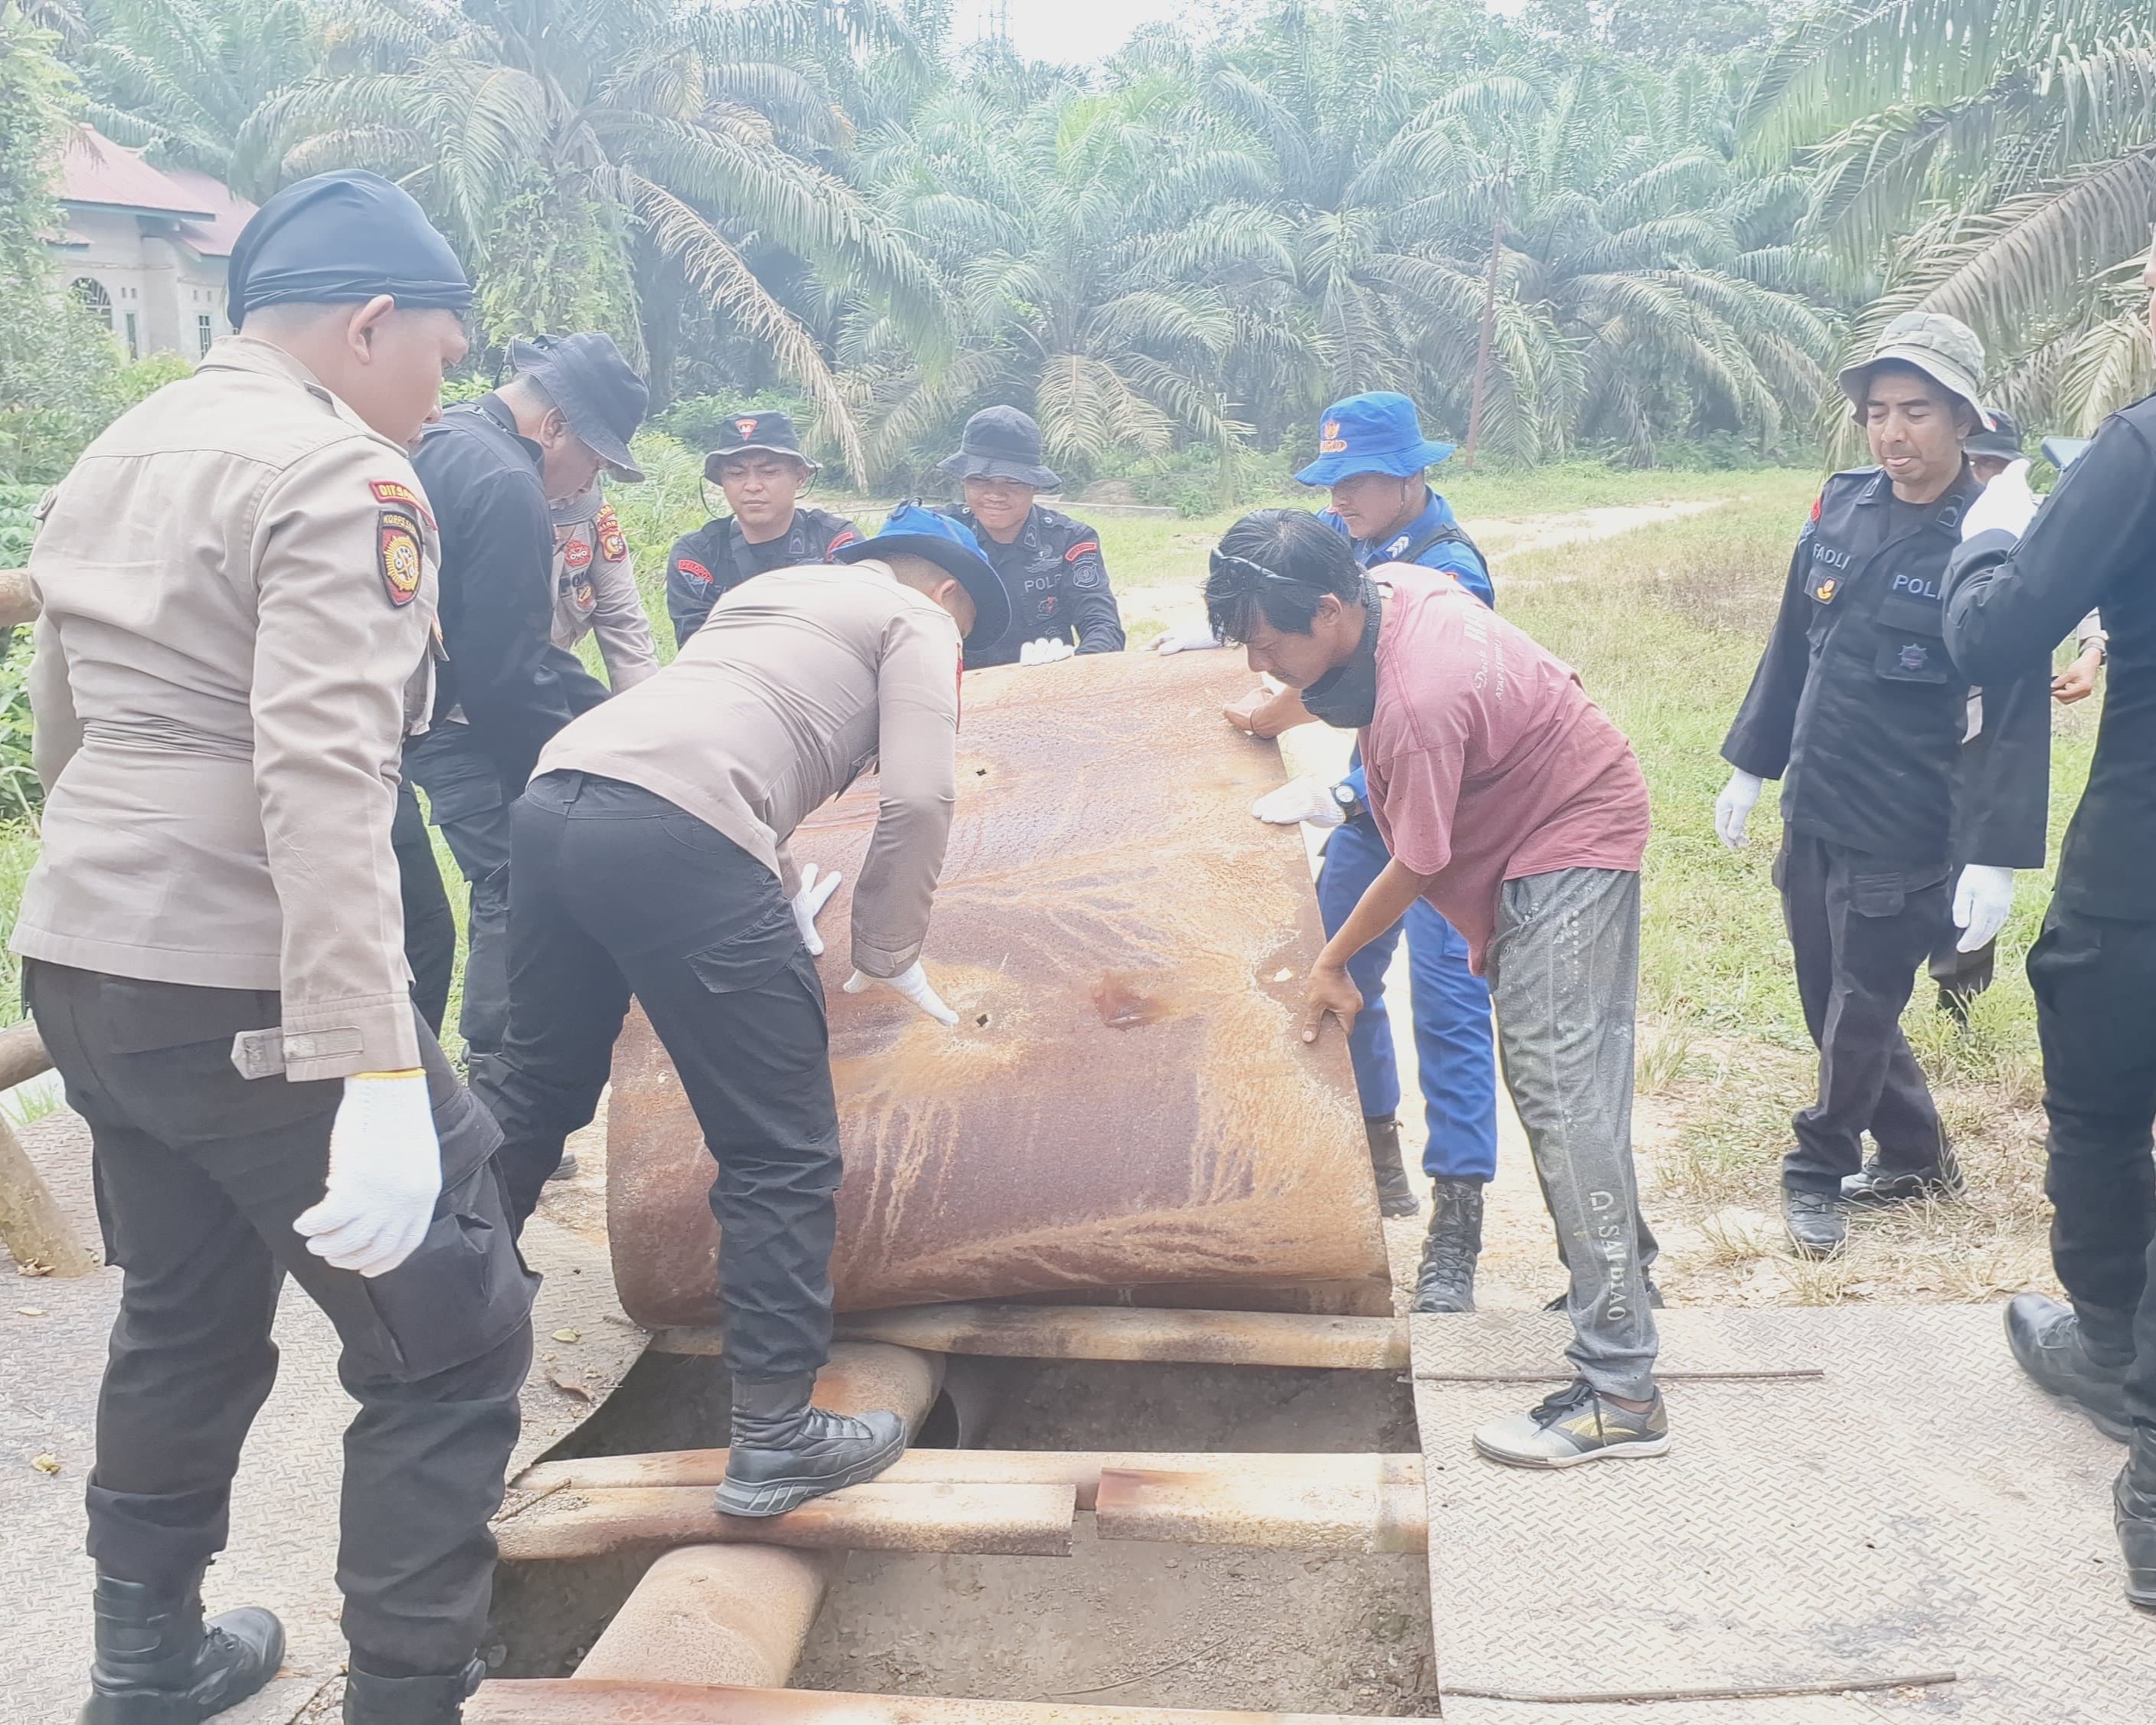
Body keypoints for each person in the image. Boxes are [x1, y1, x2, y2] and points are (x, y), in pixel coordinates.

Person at [15, 171, 535, 1725]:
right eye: (437, 348)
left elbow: (63, 722)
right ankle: (406, 1698)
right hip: (254, 972)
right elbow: (324, 776)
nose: (443, 384)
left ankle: (147, 1670)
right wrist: (375, 1066)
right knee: (449, 1341)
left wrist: (109, 902)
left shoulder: (125, 446)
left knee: (183, 1309)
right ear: (369, 323)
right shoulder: (343, 474)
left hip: (88, 950)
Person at [470, 506, 1011, 1514]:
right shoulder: (921, 620)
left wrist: (769, 888)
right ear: (947, 593)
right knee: (779, 1148)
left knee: (534, 1083)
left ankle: (441, 1342)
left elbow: (714, 737)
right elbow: (919, 796)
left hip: (557, 797)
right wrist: (887, 948)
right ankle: (776, 1436)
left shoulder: (770, 592)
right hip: (679, 832)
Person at [1205, 509, 1664, 1468]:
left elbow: (1416, 860)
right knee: (1567, 1081)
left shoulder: (1417, 705)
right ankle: (1629, 1269)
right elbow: (1331, 689)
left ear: (1327, 610)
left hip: (1568, 832)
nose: (1262, 662)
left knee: (1559, 1088)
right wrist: (1269, 710)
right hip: (1541, 812)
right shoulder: (1396, 589)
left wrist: (1331, 961)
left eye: (1269, 644)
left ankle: (1622, 1390)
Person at [1715, 313, 2050, 1259]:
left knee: (1860, 1006)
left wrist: (1994, 853)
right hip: (1818, 798)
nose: (1892, 434)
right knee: (1825, 994)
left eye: (1916, 412)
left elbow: (2014, 709)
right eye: (1876, 413)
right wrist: (1752, 764)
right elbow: (1794, 641)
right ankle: (1914, 1154)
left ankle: (1815, 1167)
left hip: (1909, 815)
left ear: (1964, 418)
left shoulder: (1988, 539)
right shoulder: (1843, 503)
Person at [1941, 233, 2156, 1609]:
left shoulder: (2138, 446)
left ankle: (2121, 1382)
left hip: (2142, 870)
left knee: (2100, 1096)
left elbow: (1995, 634)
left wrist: (1991, 534)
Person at [1232, 394, 1502, 1313]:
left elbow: (1412, 707)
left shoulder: (1450, 572)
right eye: (1330, 481)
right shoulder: (1350, 541)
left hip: (1446, 815)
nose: (1338, 498)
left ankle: (1456, 1221)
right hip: (1374, 798)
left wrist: (1339, 793)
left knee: (1450, 1002)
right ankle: (1373, 1154)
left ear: (1411, 476)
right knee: (1330, 964)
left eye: (1355, 482)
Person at [404, 332, 648, 1086]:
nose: (588, 482)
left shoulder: (437, 441)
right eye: (594, 460)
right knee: (516, 873)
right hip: (448, 726)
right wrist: (560, 777)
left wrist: (617, 726)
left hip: (406, 713)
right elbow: (505, 673)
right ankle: (496, 1068)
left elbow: (512, 644)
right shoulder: (508, 480)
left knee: (425, 921)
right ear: (555, 427)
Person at [932, 406, 1125, 667]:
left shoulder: (1070, 540)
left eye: (1013, 482)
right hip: (955, 683)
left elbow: (1102, 626)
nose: (995, 494)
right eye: (979, 479)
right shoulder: (936, 534)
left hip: (1046, 676)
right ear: (963, 480)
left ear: (1034, 485)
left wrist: (1075, 670)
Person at [665, 411, 861, 648]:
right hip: (728, 669)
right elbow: (696, 646)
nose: (752, 486)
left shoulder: (836, 542)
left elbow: (857, 631)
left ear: (800, 476)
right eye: (736, 474)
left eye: (769, 472)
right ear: (722, 481)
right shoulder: (698, 554)